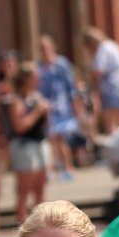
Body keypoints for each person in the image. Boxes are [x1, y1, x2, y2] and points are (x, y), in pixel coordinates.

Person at [35, 34, 88, 178]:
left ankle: (68, 167)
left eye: (46, 47)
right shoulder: (39, 67)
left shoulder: (61, 64)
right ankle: (52, 168)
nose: (44, 51)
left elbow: (71, 87)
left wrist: (76, 107)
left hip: (62, 107)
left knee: (61, 138)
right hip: (47, 108)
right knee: (51, 138)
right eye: (41, 48)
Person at [7, 64, 50, 221]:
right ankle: (21, 223)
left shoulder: (37, 97)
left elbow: (46, 125)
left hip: (40, 143)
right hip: (24, 146)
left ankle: (41, 224)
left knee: (40, 189)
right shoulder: (16, 100)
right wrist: (37, 112)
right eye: (34, 77)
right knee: (24, 189)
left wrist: (46, 113)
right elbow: (19, 127)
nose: (37, 79)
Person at [85, 27, 119, 132]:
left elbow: (99, 71)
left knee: (111, 125)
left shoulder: (103, 49)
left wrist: (93, 87)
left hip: (112, 88)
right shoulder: (113, 45)